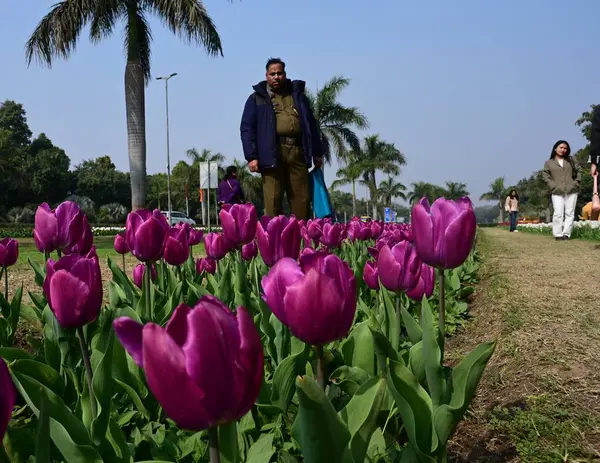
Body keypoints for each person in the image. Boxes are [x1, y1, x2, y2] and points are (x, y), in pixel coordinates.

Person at [240, 57, 323, 220]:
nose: (276, 77)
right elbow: (247, 128)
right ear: (266, 76)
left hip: (298, 153)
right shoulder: (256, 98)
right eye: (272, 74)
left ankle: (301, 241)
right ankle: (273, 242)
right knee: (272, 202)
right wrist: (251, 157)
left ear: (285, 74)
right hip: (271, 155)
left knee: (302, 201)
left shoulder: (298, 96)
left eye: (279, 73)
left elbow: (311, 124)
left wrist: (317, 152)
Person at [542, 140, 581, 240]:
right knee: (558, 213)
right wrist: (552, 186)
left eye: (565, 148)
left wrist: (576, 182)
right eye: (561, 147)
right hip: (557, 191)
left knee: (570, 213)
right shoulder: (549, 163)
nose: (563, 150)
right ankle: (558, 234)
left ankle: (566, 234)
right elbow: (545, 176)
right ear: (555, 148)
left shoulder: (571, 160)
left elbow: (579, 170)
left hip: (571, 190)